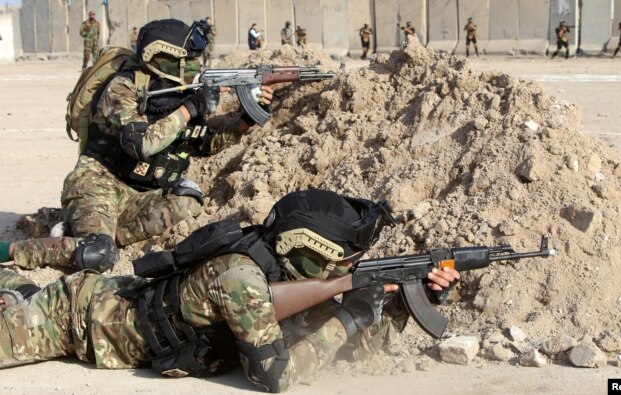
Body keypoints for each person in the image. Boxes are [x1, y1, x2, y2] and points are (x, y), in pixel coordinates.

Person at [0, 189, 461, 392]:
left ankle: (12, 289)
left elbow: (353, 351)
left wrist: (406, 303)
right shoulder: (241, 279)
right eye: (343, 261)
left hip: (105, 304)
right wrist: (350, 313)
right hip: (76, 317)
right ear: (309, 253)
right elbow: (275, 376)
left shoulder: (286, 280)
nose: (350, 267)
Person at [0, 19, 273, 273]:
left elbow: (202, 142)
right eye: (186, 59)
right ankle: (11, 249)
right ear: (163, 59)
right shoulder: (122, 88)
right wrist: (189, 109)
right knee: (98, 254)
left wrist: (245, 121)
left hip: (137, 193)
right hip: (98, 182)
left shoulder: (177, 91)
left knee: (189, 200)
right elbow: (141, 143)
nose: (193, 64)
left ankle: (89, 228)